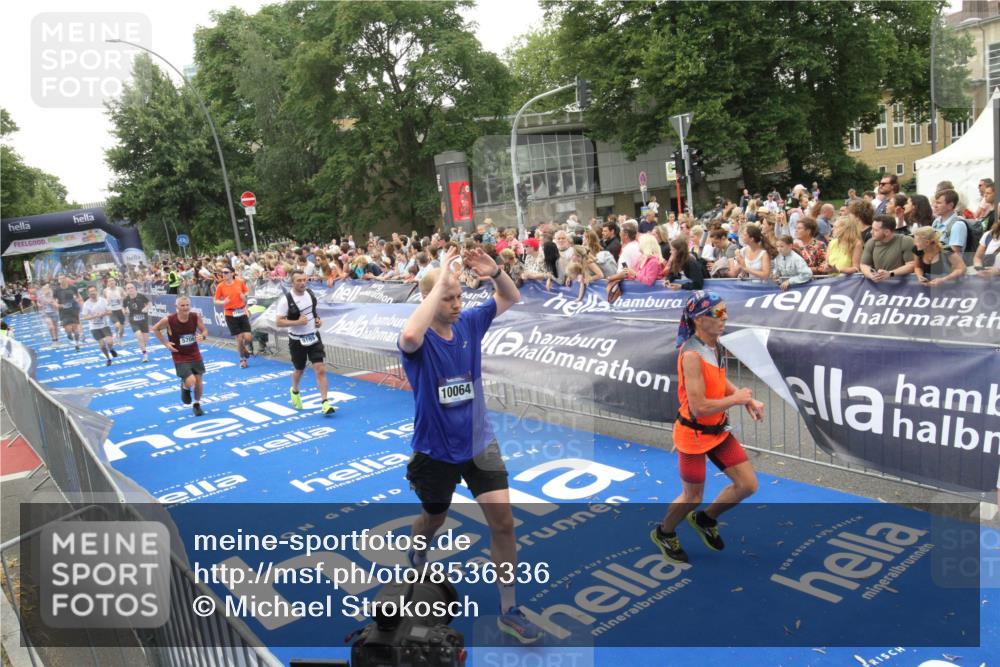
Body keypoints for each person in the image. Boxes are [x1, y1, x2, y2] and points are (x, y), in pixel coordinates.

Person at [397, 246, 542, 644]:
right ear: (430, 299)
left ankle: (509, 609)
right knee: (433, 519)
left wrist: (496, 272)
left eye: (459, 295)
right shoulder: (420, 340)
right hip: (435, 451)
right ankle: (418, 553)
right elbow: (410, 334)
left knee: (504, 523)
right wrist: (437, 281)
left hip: (480, 443)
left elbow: (510, 297)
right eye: (448, 297)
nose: (457, 303)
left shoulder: (470, 323)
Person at [651, 291, 763, 563]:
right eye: (718, 313)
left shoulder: (715, 344)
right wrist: (735, 400)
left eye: (726, 311)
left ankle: (704, 519)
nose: (725, 318)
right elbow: (699, 407)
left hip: (717, 430)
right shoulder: (691, 354)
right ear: (700, 320)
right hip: (693, 434)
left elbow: (719, 381)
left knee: (747, 485)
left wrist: (744, 398)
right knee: (692, 495)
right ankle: (665, 532)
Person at [275, 270, 336, 415]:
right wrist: (297, 322)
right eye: (299, 281)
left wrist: (317, 320)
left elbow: (313, 313)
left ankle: (325, 402)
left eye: (304, 280)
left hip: (313, 336)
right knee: (299, 369)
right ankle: (294, 390)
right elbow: (278, 322)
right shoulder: (286, 300)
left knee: (320, 368)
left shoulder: (310, 294)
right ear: (292, 282)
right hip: (297, 339)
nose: (303, 283)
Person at [152, 295, 208, 417]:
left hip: (194, 353)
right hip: (179, 355)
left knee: (199, 381)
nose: (185, 307)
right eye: (182, 305)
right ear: (176, 306)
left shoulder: (195, 317)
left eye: (187, 305)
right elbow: (155, 329)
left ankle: (197, 404)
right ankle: (185, 387)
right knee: (191, 380)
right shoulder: (169, 320)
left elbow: (204, 330)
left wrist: (202, 336)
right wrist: (166, 343)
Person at [213, 266, 252, 368]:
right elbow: (215, 300)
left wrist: (244, 296)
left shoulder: (239, 282)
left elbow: (246, 291)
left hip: (242, 311)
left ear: (232, 273)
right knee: (239, 338)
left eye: (226, 272)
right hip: (230, 314)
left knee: (248, 337)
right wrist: (223, 302)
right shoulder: (220, 286)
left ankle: (243, 348)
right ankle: (242, 359)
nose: (224, 274)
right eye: (223, 272)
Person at [860, 215, 915, 282]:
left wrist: (890, 273)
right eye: (872, 228)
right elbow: (864, 264)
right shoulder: (871, 242)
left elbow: (912, 265)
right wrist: (871, 275)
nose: (871, 232)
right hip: (878, 287)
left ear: (887, 232)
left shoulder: (905, 241)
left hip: (902, 286)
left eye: (875, 230)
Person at [80, 286, 119, 365]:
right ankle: (108, 358)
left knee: (110, 342)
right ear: (88, 293)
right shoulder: (86, 304)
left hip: (104, 325)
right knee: (102, 345)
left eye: (94, 291)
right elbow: (85, 317)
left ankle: (111, 349)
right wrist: (94, 316)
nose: (93, 293)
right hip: (94, 327)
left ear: (96, 291)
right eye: (91, 292)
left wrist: (103, 314)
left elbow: (110, 311)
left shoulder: (103, 300)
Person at [122, 282, 152, 362]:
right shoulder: (126, 299)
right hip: (133, 320)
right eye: (128, 288)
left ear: (135, 288)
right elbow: (124, 308)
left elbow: (149, 303)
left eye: (131, 287)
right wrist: (125, 312)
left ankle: (142, 345)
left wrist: (146, 308)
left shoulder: (141, 296)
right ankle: (145, 355)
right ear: (126, 290)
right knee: (139, 335)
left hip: (143, 319)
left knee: (145, 339)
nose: (130, 289)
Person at [53, 274, 84, 351]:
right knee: (68, 330)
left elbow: (78, 296)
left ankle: (77, 344)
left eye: (63, 278)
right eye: (60, 279)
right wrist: (57, 305)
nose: (61, 280)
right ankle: (69, 334)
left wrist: (79, 302)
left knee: (75, 328)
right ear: (58, 280)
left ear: (66, 279)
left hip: (73, 309)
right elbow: (53, 300)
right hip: (63, 311)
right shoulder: (56, 290)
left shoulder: (73, 287)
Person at [104, 277, 126, 343]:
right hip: (112, 311)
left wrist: (124, 307)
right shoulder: (105, 290)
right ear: (108, 283)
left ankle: (119, 338)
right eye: (109, 281)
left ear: (115, 282)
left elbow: (125, 296)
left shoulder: (119, 289)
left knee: (122, 329)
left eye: (112, 280)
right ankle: (116, 335)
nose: (111, 282)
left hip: (120, 310)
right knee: (117, 325)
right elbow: (105, 301)